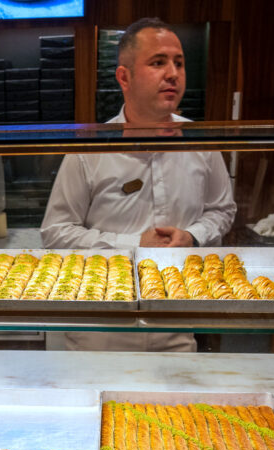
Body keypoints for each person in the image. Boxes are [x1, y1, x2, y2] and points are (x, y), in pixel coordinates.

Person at [40, 17, 236, 352]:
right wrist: (132, 244)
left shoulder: (201, 142)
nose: (172, 73)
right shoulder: (91, 149)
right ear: (124, 77)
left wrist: (192, 236)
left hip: (176, 326)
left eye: (179, 63)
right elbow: (56, 232)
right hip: (98, 333)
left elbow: (222, 210)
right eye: (158, 63)